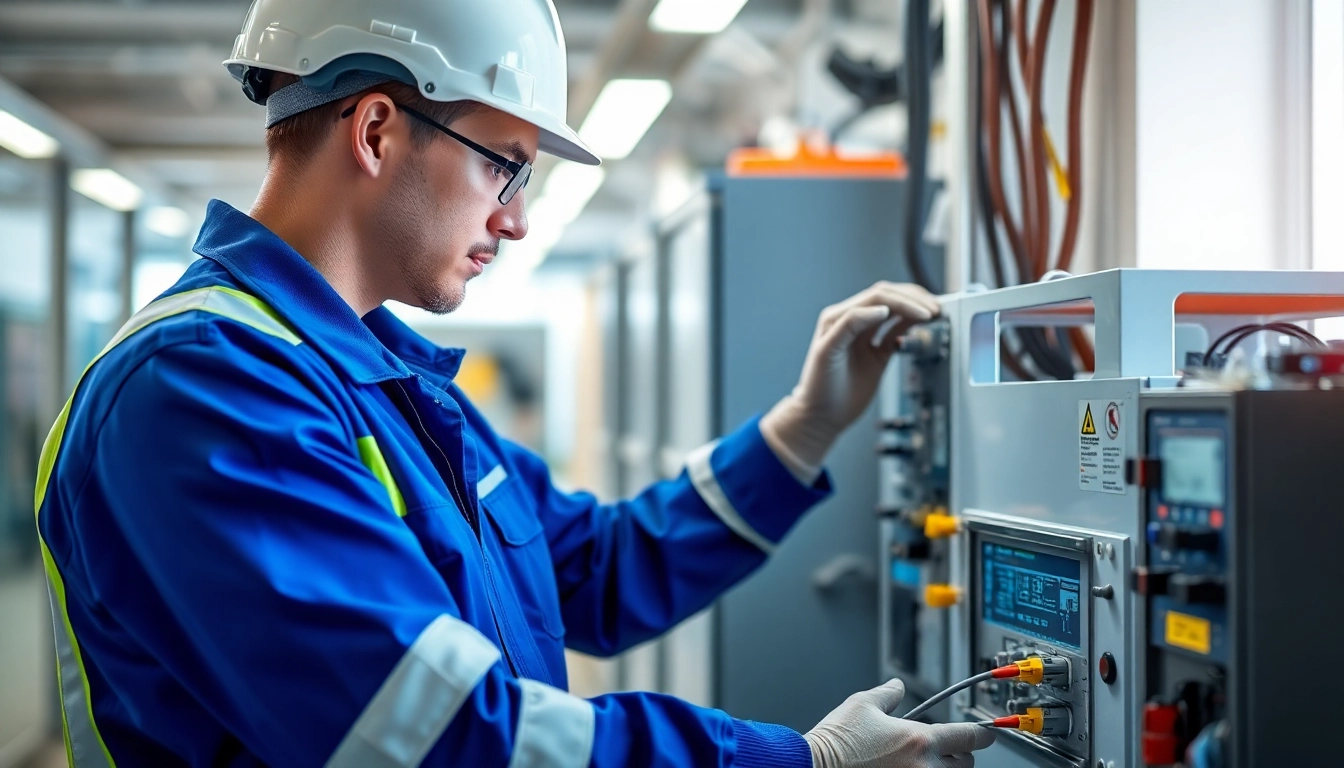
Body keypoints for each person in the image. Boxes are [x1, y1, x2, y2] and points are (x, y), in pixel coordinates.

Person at [33, 1, 995, 766]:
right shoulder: (200, 393)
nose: (519, 219)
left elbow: (595, 571)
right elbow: (443, 740)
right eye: (506, 167)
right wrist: (795, 759)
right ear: (377, 131)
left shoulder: (385, 382)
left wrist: (797, 433)